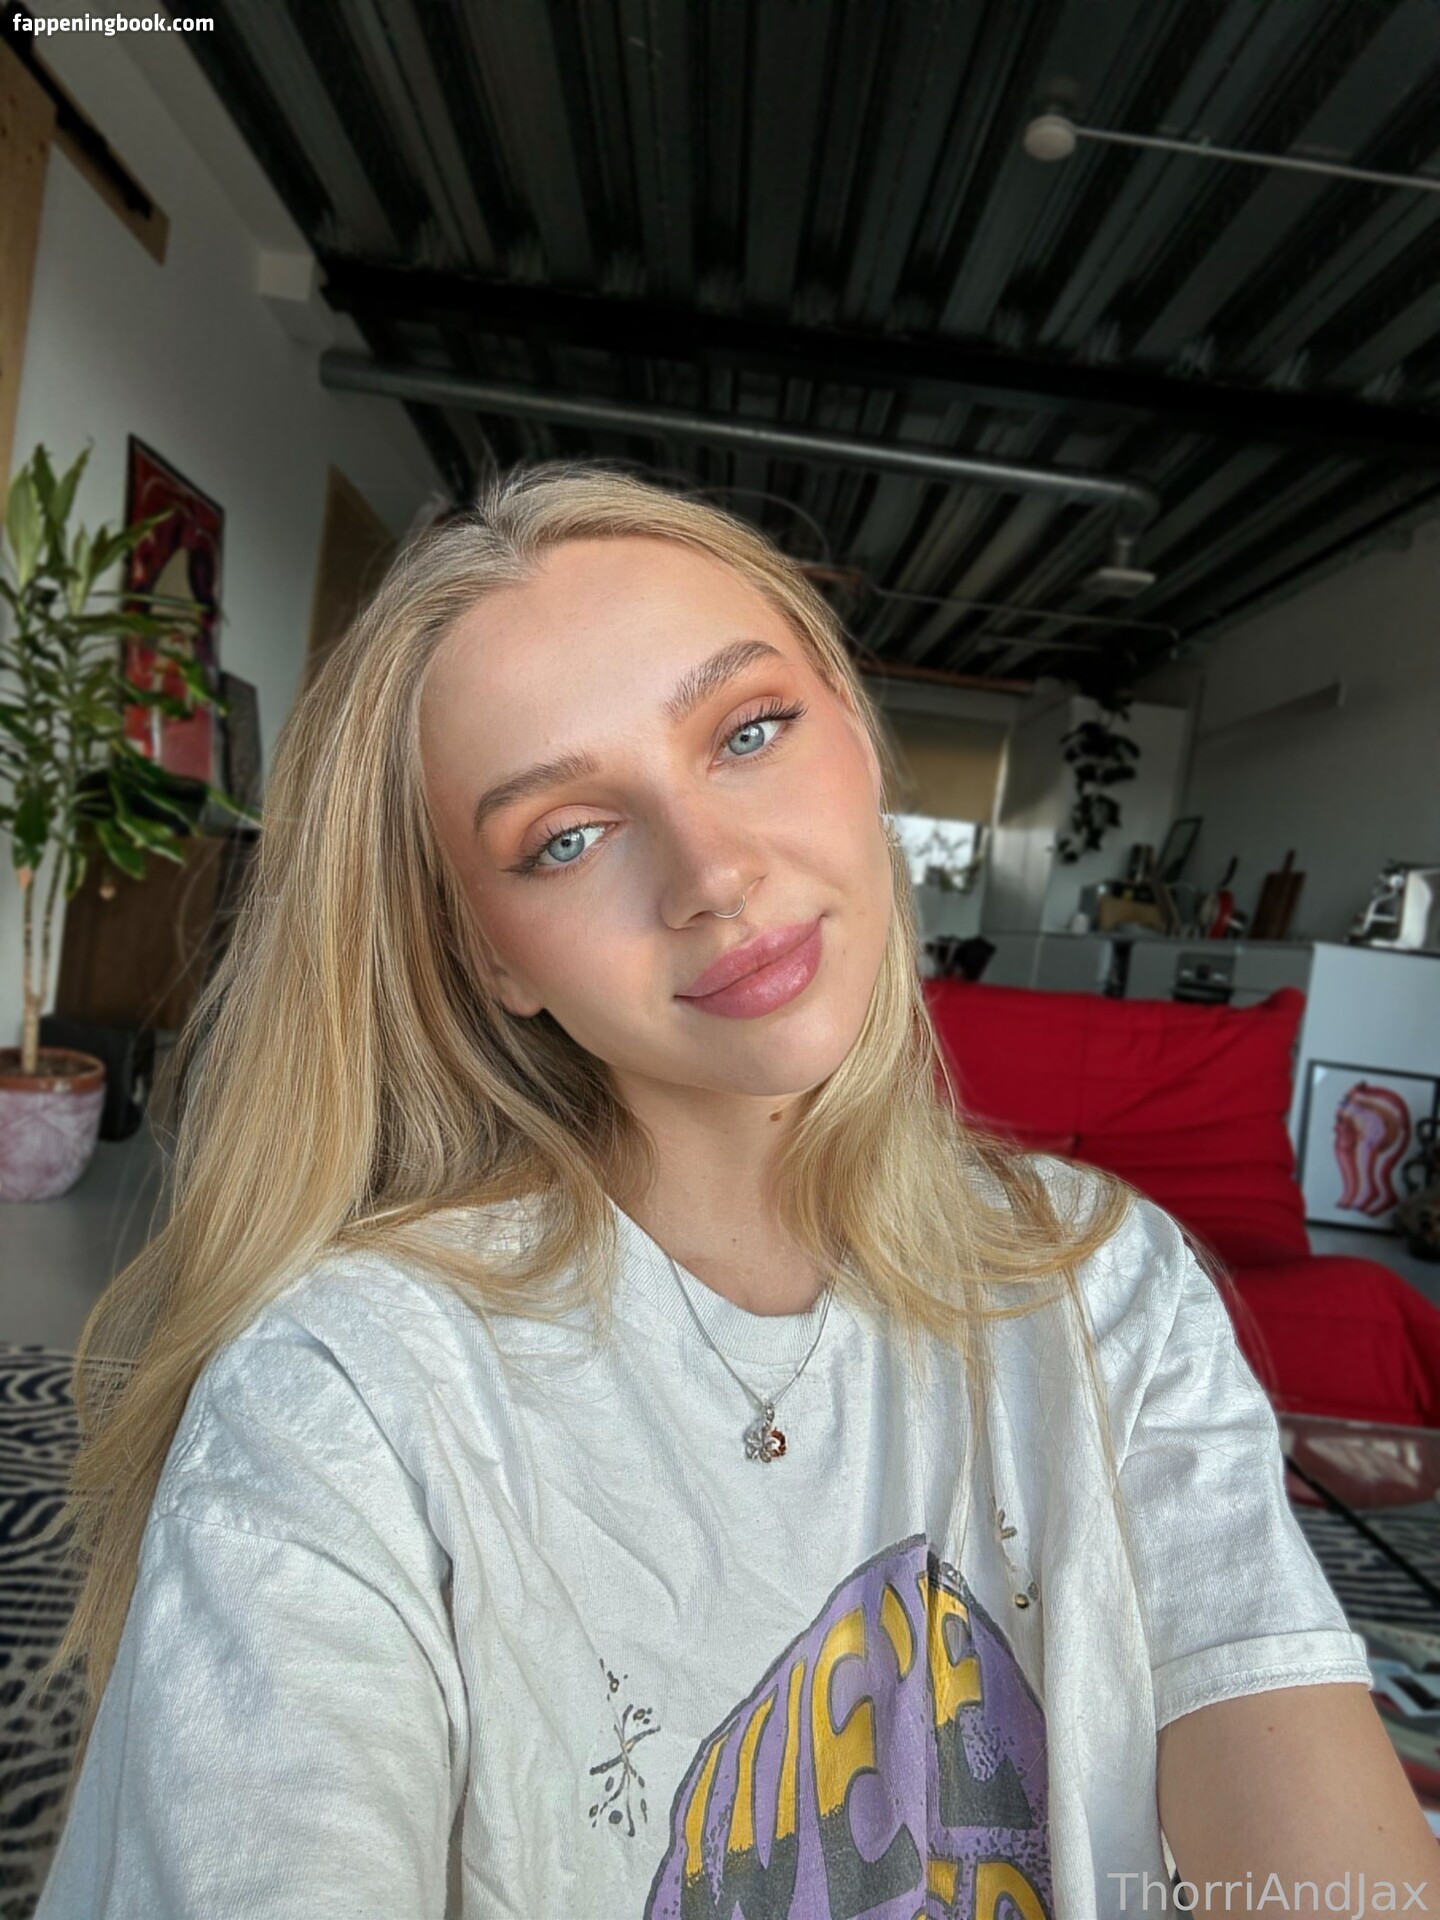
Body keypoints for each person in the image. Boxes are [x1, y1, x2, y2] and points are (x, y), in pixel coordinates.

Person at [28, 463, 1433, 1918]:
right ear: (490, 955)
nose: (711, 873)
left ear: (860, 743)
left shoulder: (1101, 1284)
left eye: (749, 732)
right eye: (565, 836)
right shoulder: (348, 1391)